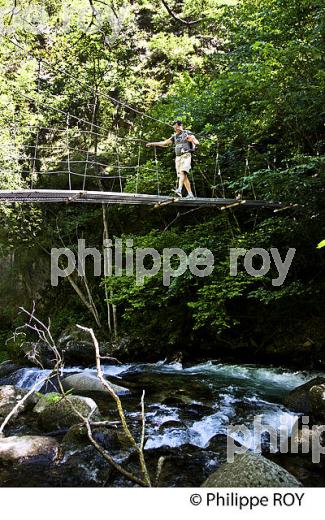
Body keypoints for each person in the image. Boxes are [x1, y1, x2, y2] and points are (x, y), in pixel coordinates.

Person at [146, 120, 199, 198]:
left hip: (186, 155)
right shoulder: (175, 136)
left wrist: (192, 140)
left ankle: (179, 189)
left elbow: (197, 142)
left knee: (183, 172)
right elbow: (164, 143)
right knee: (183, 176)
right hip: (178, 157)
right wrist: (152, 144)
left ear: (180, 126)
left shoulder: (187, 133)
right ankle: (190, 194)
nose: (176, 128)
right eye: (175, 126)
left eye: (177, 126)